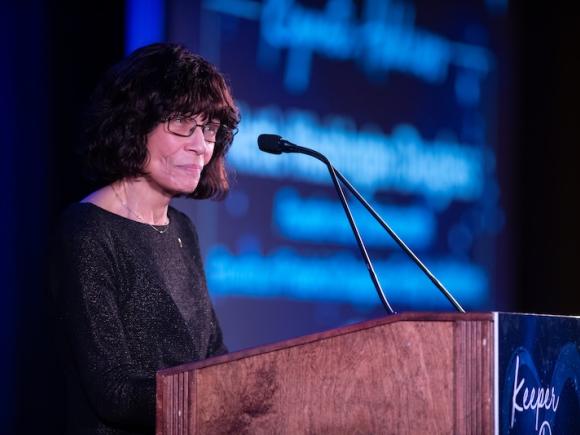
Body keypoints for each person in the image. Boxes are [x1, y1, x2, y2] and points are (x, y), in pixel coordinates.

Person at [51, 42, 240, 435]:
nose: (200, 145)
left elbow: (211, 353)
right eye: (183, 123)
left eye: (209, 129)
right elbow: (114, 391)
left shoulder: (182, 230)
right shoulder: (87, 230)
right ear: (136, 124)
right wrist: (220, 395)